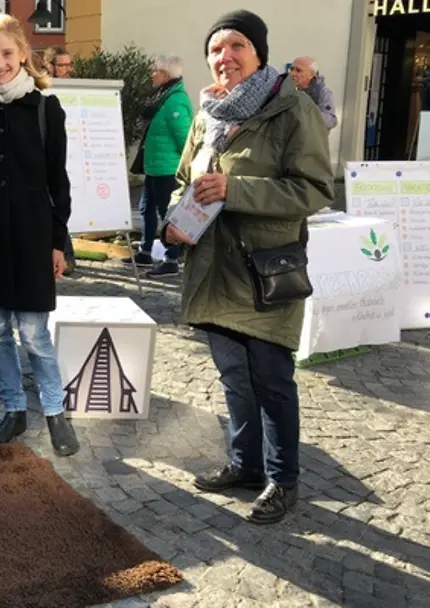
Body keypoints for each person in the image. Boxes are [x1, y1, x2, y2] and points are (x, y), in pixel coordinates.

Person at [162, 10, 334, 523]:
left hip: (263, 273)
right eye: (216, 49)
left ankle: (283, 480)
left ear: (258, 52)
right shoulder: (206, 114)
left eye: (236, 45)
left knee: (271, 381)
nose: (225, 57)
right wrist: (174, 220)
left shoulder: (292, 109)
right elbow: (180, 181)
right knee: (235, 378)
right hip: (212, 269)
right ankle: (245, 465)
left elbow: (314, 190)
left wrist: (236, 190)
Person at [0, 14, 80, 457]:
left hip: (31, 231)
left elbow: (58, 182)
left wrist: (58, 241)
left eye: (7, 54)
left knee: (34, 333)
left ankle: (54, 411)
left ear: (23, 55)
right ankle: (13, 410)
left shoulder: (46, 108)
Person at [125, 54, 193, 277]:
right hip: (154, 168)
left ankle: (171, 259)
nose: (151, 74)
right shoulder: (162, 98)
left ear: (166, 75)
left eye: (155, 70)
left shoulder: (176, 101)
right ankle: (145, 252)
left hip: (168, 170)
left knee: (169, 214)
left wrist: (185, 170)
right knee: (146, 209)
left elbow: (185, 139)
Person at [42, 45, 77, 275]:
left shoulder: (77, 89)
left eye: (68, 65)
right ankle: (64, 255)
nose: (66, 70)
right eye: (61, 65)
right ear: (50, 66)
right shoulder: (43, 92)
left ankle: (67, 256)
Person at [288, 56, 338, 131]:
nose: (292, 73)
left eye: (298, 70)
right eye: (291, 69)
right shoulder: (285, 89)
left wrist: (308, 112)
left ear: (312, 75)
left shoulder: (323, 92)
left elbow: (331, 121)